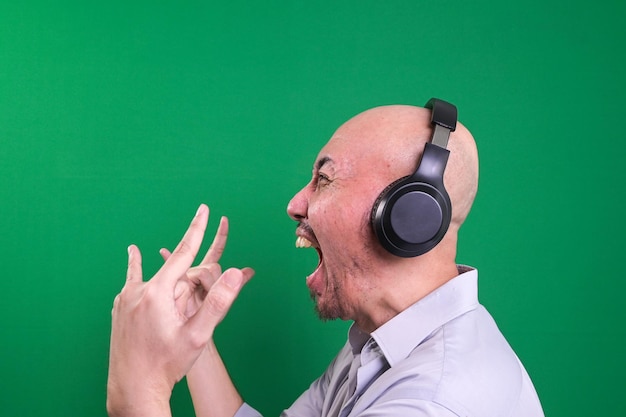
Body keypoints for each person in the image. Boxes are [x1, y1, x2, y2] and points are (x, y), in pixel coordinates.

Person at [107, 101, 545, 417]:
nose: (296, 204)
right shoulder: (383, 340)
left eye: (324, 178)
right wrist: (193, 337)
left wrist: (137, 394)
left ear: (409, 215)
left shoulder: (433, 402)